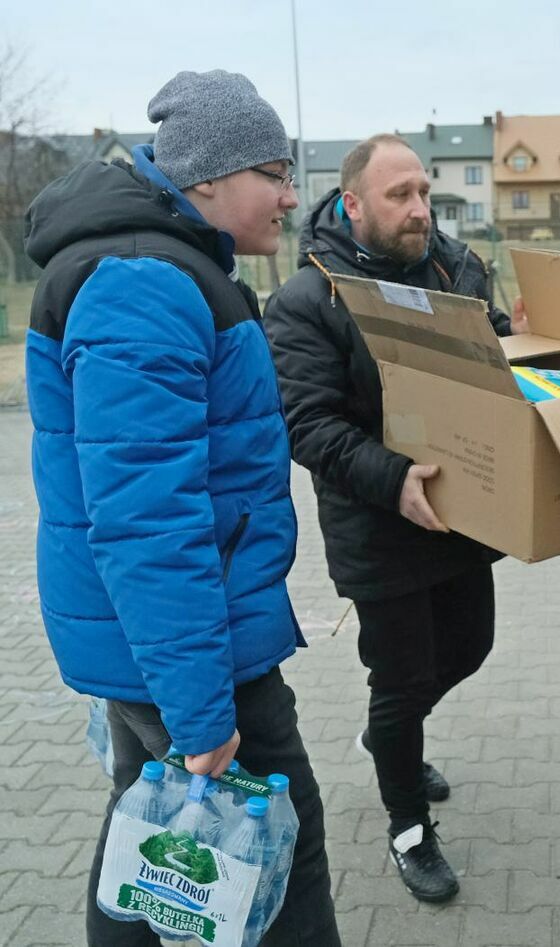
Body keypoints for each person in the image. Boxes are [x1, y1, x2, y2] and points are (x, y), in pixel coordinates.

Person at [23, 70, 340, 945]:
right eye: (272, 172)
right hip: (197, 654)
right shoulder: (143, 283)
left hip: (163, 645)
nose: (289, 194)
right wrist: (203, 713)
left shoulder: (167, 266)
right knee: (281, 848)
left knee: (146, 830)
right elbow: (146, 522)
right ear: (207, 177)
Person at [264, 133, 527, 902]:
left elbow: (490, 365)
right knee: (403, 677)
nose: (420, 210)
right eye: (399, 196)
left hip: (460, 515)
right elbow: (307, 424)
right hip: (380, 524)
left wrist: (520, 341)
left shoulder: (459, 269)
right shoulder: (309, 298)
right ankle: (408, 825)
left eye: (423, 192)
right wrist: (394, 477)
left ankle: (389, 742)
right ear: (351, 204)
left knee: (471, 647)